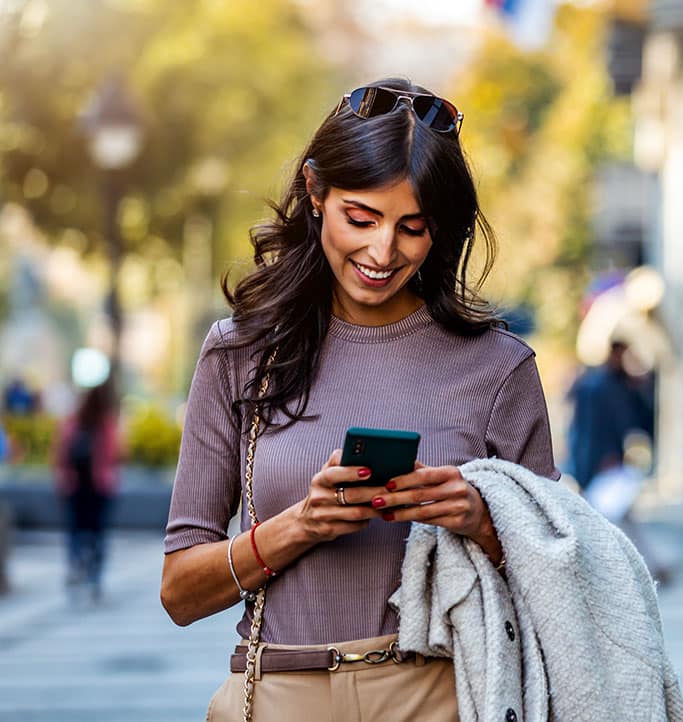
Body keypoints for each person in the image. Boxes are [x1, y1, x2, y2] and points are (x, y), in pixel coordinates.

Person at [160, 79, 560, 722]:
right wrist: (301, 525)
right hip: (279, 693)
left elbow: (561, 576)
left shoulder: (498, 367)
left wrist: (481, 519)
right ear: (317, 194)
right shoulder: (239, 354)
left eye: (412, 227)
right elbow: (180, 593)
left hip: (439, 697)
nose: (382, 252)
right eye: (361, 218)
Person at [53, 380, 119, 603]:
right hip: (99, 488)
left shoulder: (74, 421)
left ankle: (76, 566)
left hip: (75, 487)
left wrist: (63, 478)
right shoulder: (106, 423)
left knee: (75, 532)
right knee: (97, 534)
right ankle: (94, 577)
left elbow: (61, 451)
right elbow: (115, 453)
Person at [566, 338, 654, 490]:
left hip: (601, 455)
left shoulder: (613, 384)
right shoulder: (601, 386)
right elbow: (594, 426)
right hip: (600, 456)